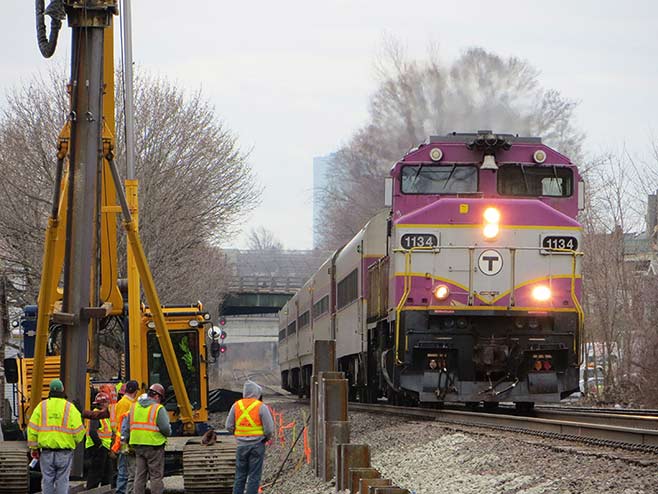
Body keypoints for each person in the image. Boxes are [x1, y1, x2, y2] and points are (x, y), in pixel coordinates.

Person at [27, 379, 86, 494]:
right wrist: (73, 442)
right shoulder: (70, 408)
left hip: (46, 452)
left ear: (50, 390)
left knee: (47, 480)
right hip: (64, 452)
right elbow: (79, 432)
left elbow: (32, 429)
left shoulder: (41, 406)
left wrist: (34, 448)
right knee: (62, 480)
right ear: (62, 390)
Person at [225, 380, 274, 494]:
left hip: (241, 446)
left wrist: (239, 435)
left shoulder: (236, 405)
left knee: (240, 476)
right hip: (257, 445)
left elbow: (228, 426)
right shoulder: (261, 407)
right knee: (254, 476)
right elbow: (269, 429)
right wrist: (265, 438)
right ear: (257, 393)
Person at [121, 383, 171, 494]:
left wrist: (125, 442)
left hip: (138, 446)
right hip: (154, 446)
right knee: (155, 476)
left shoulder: (134, 407)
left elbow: (127, 426)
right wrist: (168, 433)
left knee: (139, 475)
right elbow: (165, 428)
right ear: (157, 396)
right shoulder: (158, 408)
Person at [113, 380, 139, 494]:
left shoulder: (128, 403)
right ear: (135, 391)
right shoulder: (125, 403)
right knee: (124, 471)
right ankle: (121, 492)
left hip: (125, 441)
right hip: (124, 443)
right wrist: (121, 446)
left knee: (127, 471)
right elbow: (121, 427)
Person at [85, 392, 114, 488]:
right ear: (103, 403)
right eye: (107, 403)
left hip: (104, 447)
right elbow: (93, 432)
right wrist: (100, 445)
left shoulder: (102, 415)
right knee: (96, 474)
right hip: (98, 448)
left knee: (107, 474)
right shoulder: (96, 414)